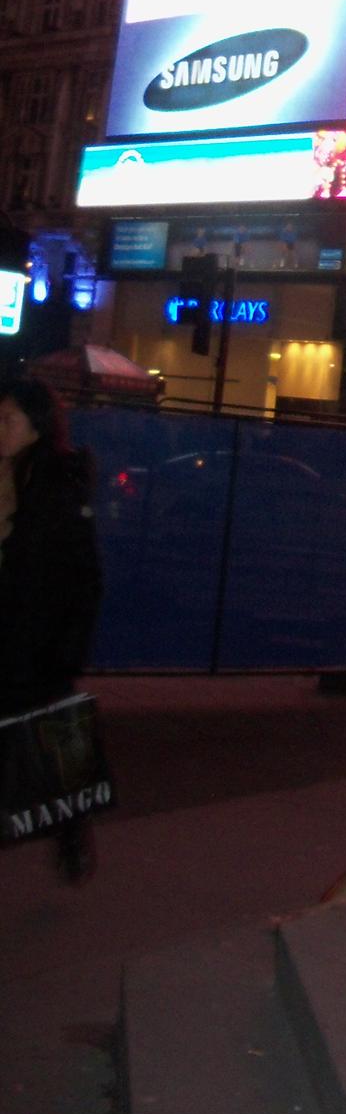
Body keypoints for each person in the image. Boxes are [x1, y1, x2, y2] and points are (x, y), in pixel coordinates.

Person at [0, 378, 104, 883]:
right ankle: (68, 829)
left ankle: (71, 831)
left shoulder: (54, 484)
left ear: (36, 426)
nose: (0, 429)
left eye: (8, 420)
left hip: (39, 641)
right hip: (14, 635)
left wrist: (66, 645)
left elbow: (84, 574)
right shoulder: (10, 476)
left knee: (56, 744)